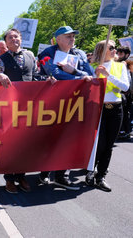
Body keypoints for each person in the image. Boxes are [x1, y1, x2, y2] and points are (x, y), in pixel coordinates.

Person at [0, 28, 51, 194]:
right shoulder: (0, 60)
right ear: (6, 41)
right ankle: (9, 179)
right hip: (8, 108)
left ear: (21, 38)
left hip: (28, 107)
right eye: (10, 38)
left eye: (16, 36)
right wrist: (0, 76)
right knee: (9, 144)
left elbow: (35, 76)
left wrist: (48, 80)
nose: (13, 39)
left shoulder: (30, 56)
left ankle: (21, 175)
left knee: (25, 143)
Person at [38, 26, 94, 190]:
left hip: (75, 101)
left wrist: (74, 71)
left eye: (73, 36)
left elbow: (90, 73)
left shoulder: (80, 53)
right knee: (51, 137)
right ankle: (44, 171)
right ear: (58, 39)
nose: (72, 39)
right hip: (52, 102)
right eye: (68, 36)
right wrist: (78, 76)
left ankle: (62, 175)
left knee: (69, 138)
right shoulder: (48, 53)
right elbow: (55, 73)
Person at [85, 40, 129, 192]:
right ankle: (90, 170)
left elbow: (125, 87)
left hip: (116, 109)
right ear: (101, 50)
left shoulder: (120, 66)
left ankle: (101, 176)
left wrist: (108, 75)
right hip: (99, 109)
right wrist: (94, 77)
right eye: (110, 47)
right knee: (99, 143)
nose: (114, 50)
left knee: (109, 145)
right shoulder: (92, 67)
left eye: (114, 47)